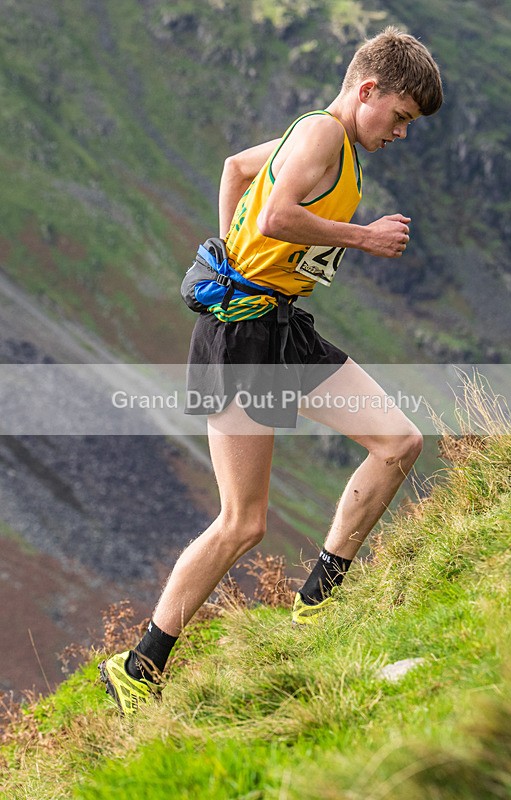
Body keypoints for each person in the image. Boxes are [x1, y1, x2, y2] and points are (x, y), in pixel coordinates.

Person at [100, 26, 443, 714]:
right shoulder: (320, 133)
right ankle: (138, 669)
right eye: (400, 115)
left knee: (398, 442)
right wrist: (363, 236)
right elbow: (278, 215)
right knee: (243, 522)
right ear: (367, 89)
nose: (401, 132)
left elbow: (236, 168)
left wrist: (231, 261)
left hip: (280, 328)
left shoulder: (329, 143)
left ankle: (318, 601)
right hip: (239, 340)